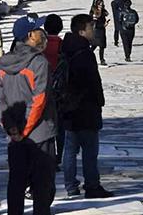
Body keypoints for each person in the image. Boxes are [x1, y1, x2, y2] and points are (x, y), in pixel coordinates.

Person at [0, 17, 57, 215]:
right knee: (42, 185)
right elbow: (39, 100)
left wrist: (10, 127)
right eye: (40, 30)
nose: (44, 34)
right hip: (39, 133)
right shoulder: (38, 62)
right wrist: (25, 129)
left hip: (14, 136)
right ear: (31, 36)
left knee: (16, 183)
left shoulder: (4, 63)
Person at [60, 14, 113, 199]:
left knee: (70, 150)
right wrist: (99, 100)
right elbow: (90, 82)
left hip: (68, 107)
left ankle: (70, 186)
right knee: (89, 151)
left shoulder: (67, 48)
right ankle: (92, 185)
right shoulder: (84, 53)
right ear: (82, 31)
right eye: (91, 27)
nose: (94, 30)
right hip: (85, 107)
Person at [41, 15, 64, 164]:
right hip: (60, 90)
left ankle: (47, 155)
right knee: (60, 126)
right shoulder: (63, 44)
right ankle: (59, 156)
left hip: (43, 88)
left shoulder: (41, 45)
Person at [89, 0, 109, 66]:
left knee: (101, 47)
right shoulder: (94, 12)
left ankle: (102, 59)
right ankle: (87, 57)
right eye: (99, 4)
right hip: (96, 31)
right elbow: (94, 22)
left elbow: (106, 13)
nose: (101, 6)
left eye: (102, 4)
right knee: (94, 46)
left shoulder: (102, 11)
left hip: (102, 31)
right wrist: (103, 25)